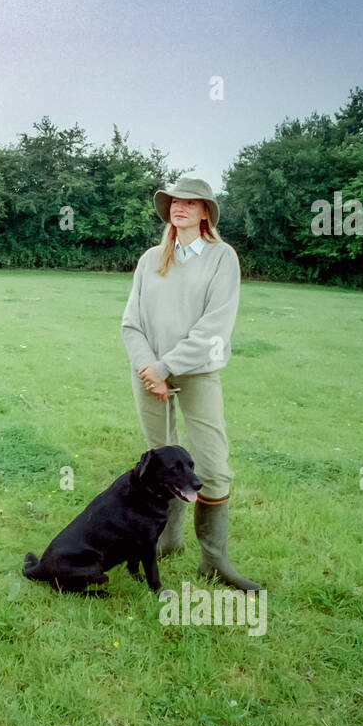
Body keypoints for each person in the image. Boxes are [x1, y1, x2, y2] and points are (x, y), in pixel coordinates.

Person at [121, 177, 261, 591]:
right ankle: (165, 540)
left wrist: (167, 367)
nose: (178, 206)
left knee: (212, 466)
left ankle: (214, 562)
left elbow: (214, 326)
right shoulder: (151, 259)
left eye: (190, 202)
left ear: (205, 212)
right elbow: (131, 322)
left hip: (196, 370)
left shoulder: (222, 258)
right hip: (147, 371)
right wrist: (149, 367)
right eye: (174, 201)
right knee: (159, 462)